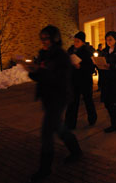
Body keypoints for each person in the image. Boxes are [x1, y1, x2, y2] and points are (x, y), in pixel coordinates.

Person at [25, 25, 82, 182]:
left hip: (58, 97)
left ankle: (45, 169)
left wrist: (42, 72)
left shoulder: (61, 55)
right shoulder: (43, 54)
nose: (44, 41)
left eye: (47, 38)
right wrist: (32, 70)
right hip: (47, 97)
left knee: (46, 133)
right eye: (42, 38)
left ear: (55, 38)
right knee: (59, 128)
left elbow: (59, 79)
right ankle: (76, 151)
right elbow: (40, 76)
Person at [65, 31, 97, 130]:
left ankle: (92, 119)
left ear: (83, 42)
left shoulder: (87, 52)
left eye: (78, 41)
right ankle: (70, 123)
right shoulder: (70, 50)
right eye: (74, 40)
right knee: (72, 103)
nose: (75, 43)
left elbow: (91, 68)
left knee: (88, 101)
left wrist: (80, 66)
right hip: (73, 80)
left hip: (85, 81)